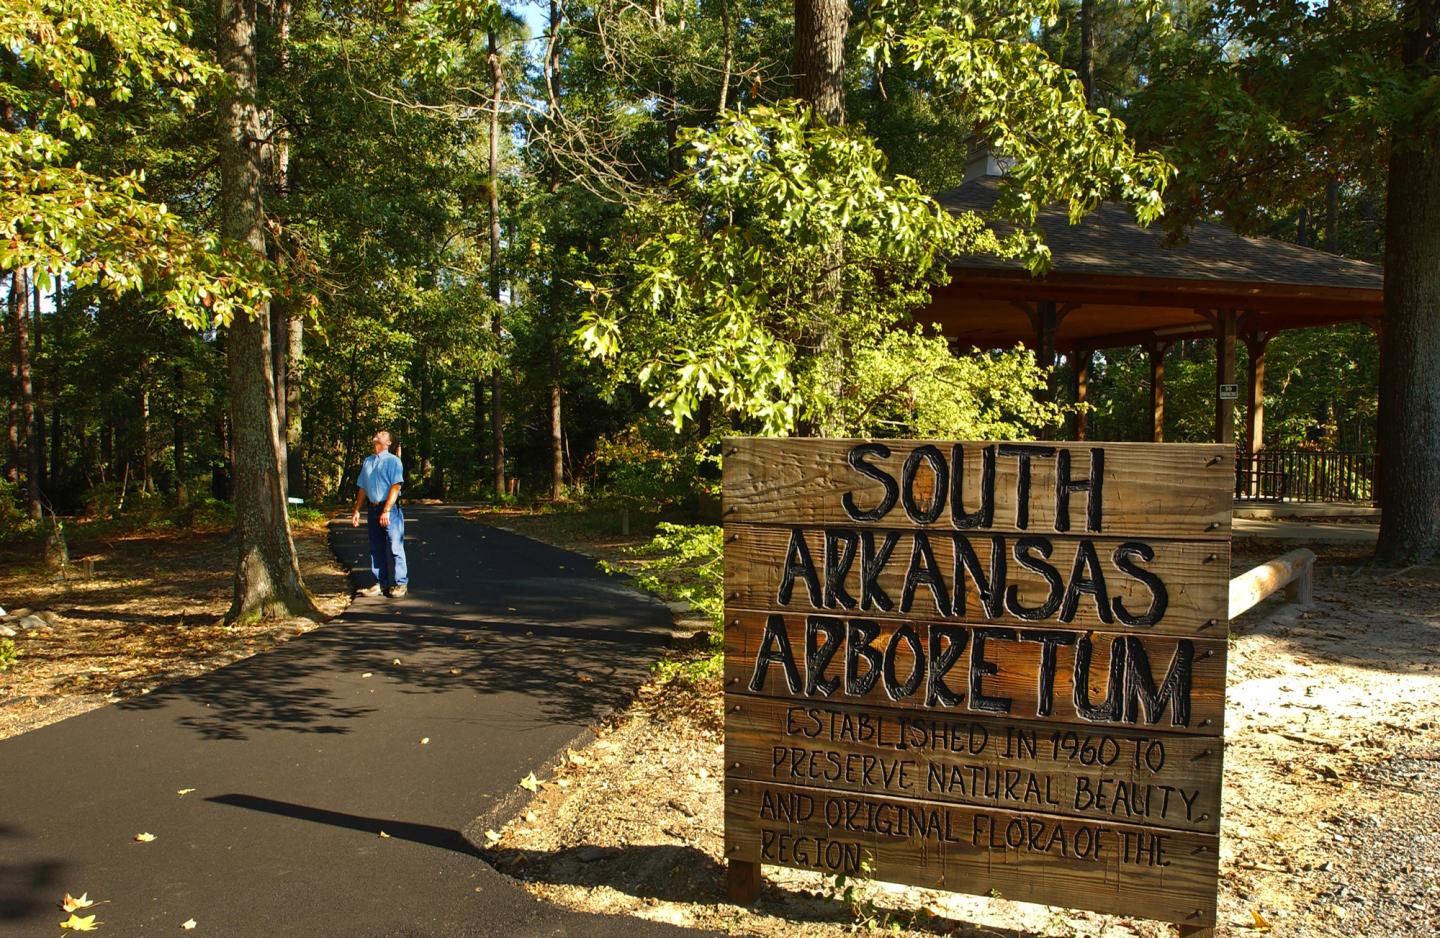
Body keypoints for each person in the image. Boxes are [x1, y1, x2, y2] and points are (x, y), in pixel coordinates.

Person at [351, 430, 408, 597]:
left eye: (383, 433)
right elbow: (362, 487)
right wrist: (356, 510)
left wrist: (387, 510)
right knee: (376, 547)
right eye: (378, 432)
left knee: (395, 546)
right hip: (373, 508)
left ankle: (400, 584)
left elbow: (396, 486)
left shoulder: (393, 461)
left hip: (390, 510)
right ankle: (380, 583)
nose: (379, 433)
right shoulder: (368, 461)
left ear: (388, 443)